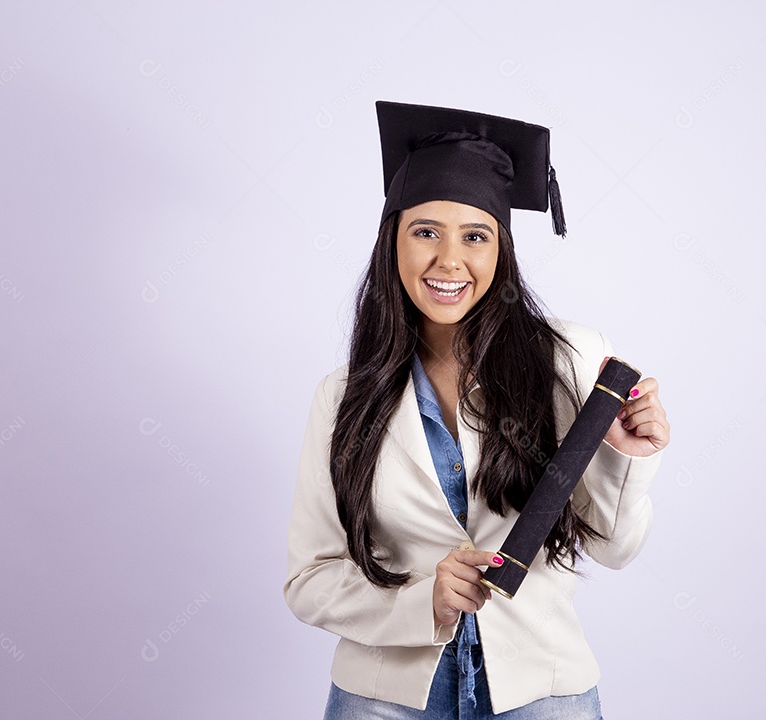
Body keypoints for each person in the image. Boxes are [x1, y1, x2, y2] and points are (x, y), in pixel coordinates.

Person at [284, 101, 670, 719]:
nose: (449, 261)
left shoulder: (569, 363)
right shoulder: (342, 397)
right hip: (384, 700)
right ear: (394, 242)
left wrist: (624, 460)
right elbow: (309, 580)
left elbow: (613, 548)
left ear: (502, 251)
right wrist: (422, 604)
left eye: (475, 236)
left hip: (542, 693)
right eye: (425, 231)